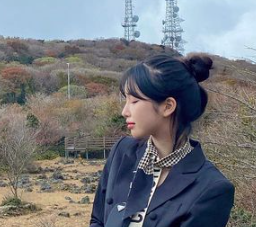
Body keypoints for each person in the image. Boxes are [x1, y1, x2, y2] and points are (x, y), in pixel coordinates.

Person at [89, 53, 234, 227]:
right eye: (125, 100)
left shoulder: (211, 188)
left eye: (134, 101)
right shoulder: (122, 152)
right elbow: (98, 220)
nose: (124, 111)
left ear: (167, 106)